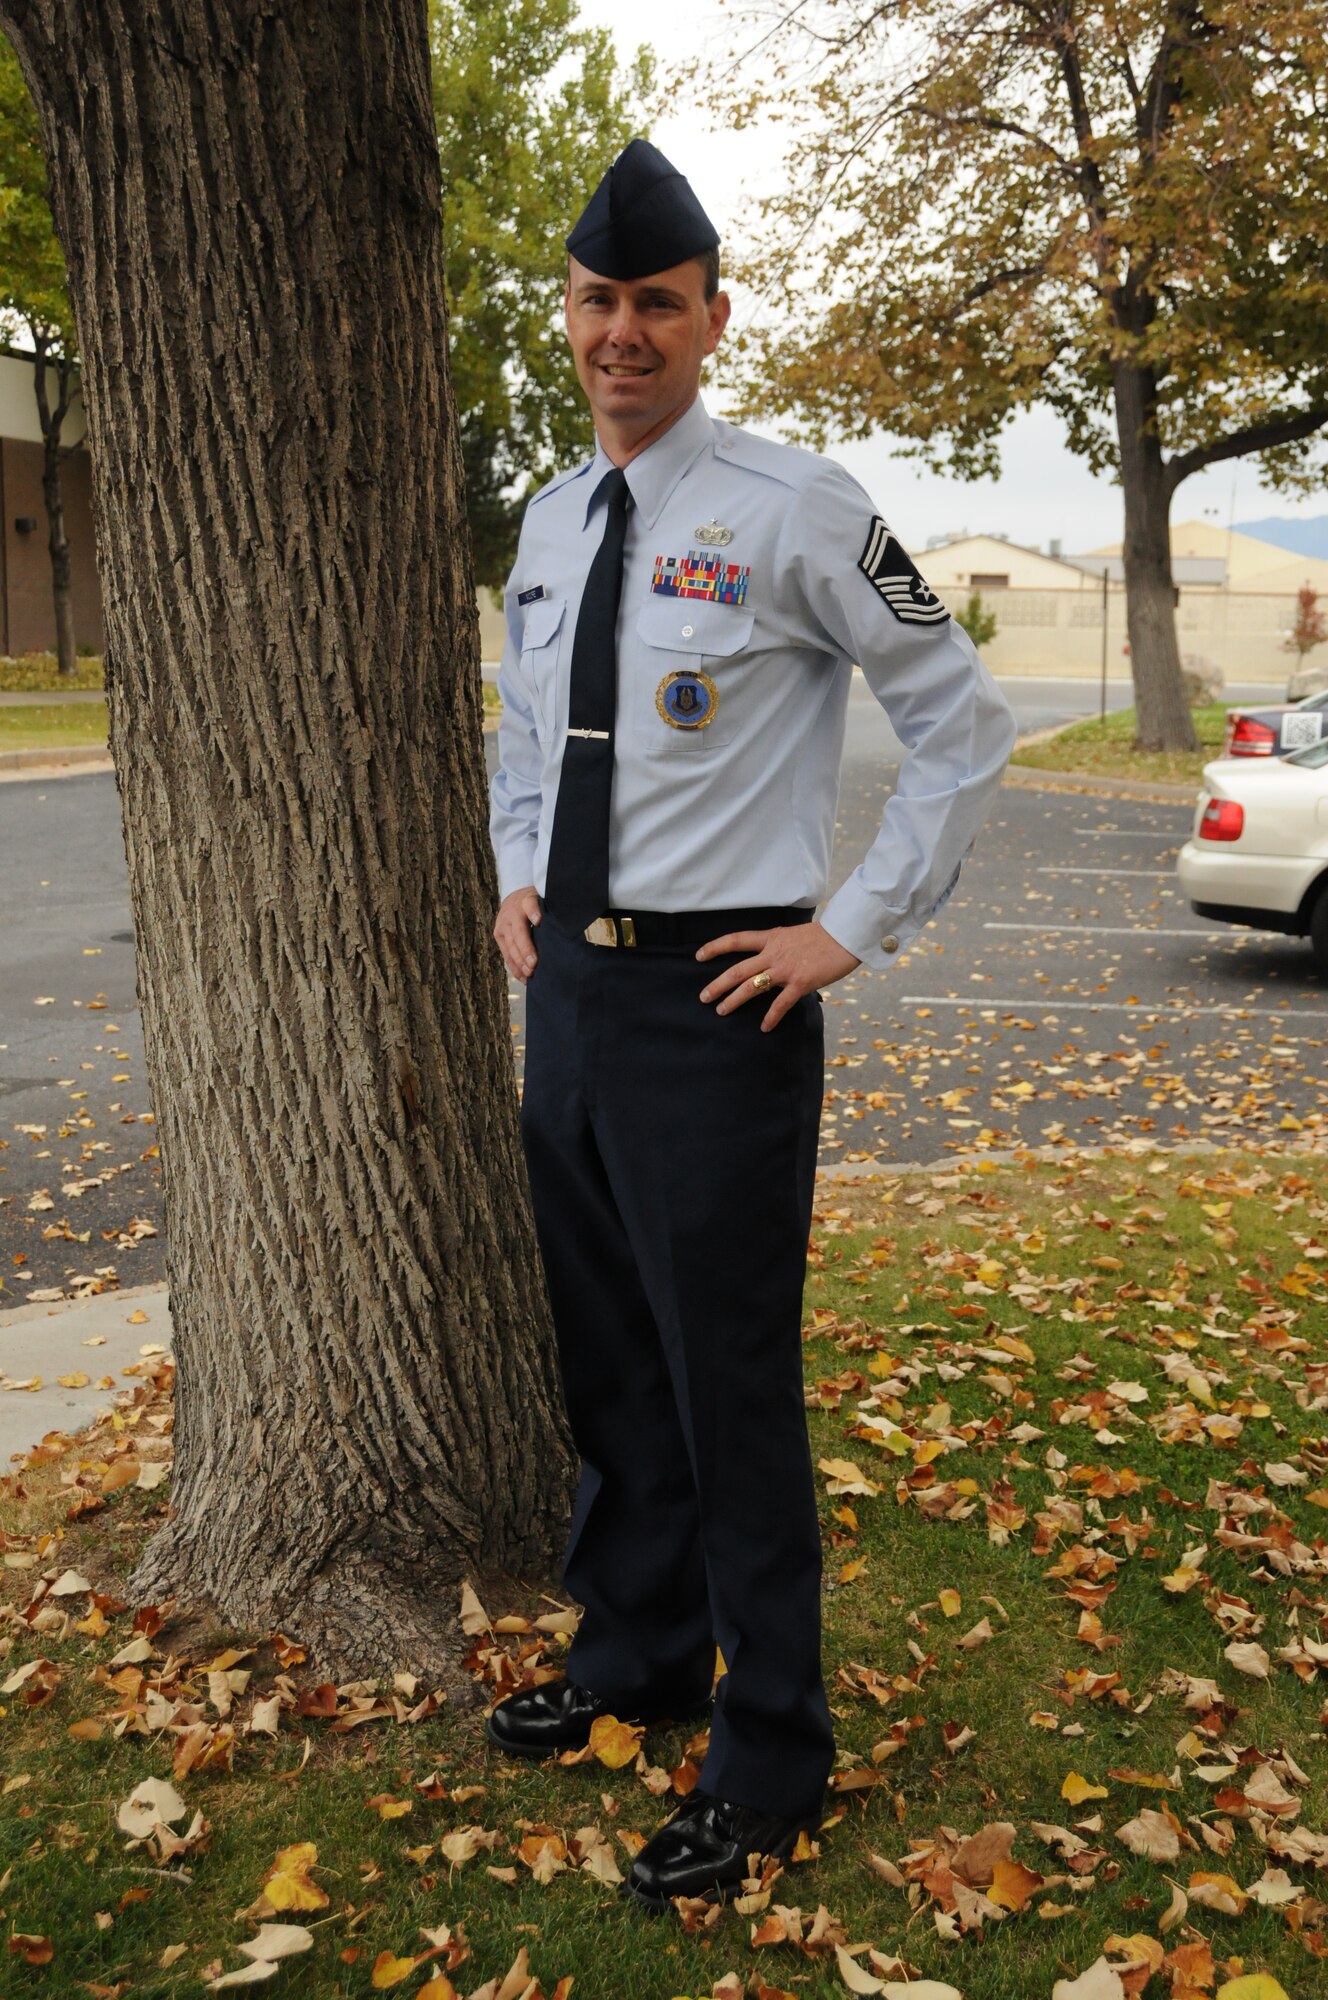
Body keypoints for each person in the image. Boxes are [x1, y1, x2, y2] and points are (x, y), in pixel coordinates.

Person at [485, 138, 1017, 1912]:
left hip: (724, 999)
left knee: (728, 1388)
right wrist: (513, 875)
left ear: (713, 318)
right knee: (608, 1364)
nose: (622, 331)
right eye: (596, 301)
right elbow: (523, 734)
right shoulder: (553, 519)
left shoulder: (797, 505)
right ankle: (636, 1652)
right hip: (571, 988)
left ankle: (771, 1750)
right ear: (568, 316)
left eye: (655, 303)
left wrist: (847, 929)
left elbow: (961, 718)